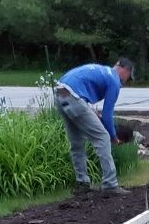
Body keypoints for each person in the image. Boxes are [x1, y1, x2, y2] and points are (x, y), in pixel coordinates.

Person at [54, 57, 135, 197]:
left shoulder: (103, 71)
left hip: (60, 93)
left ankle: (82, 184)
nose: (126, 81)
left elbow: (80, 91)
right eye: (129, 77)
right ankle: (110, 184)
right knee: (103, 137)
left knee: (76, 142)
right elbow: (107, 113)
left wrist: (94, 115)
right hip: (74, 97)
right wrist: (113, 136)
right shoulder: (114, 80)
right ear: (125, 70)